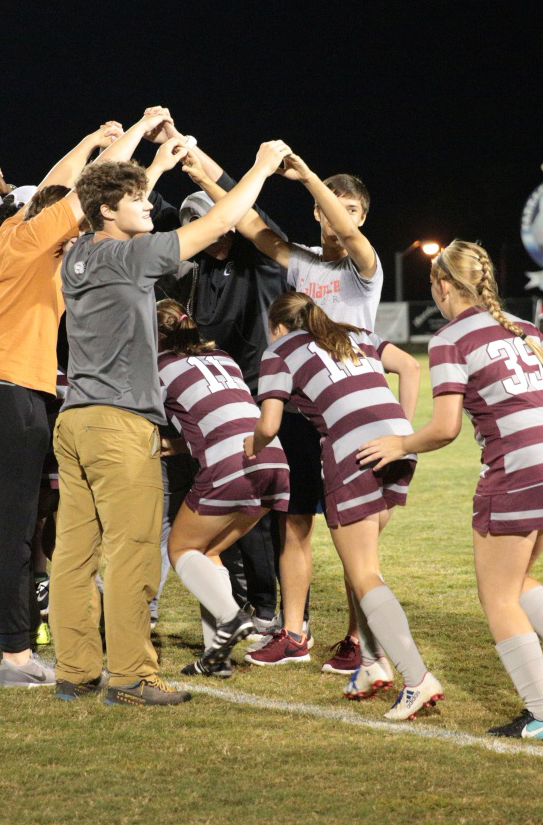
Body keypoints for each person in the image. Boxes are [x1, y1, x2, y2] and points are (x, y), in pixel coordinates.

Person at [50, 137, 292, 707]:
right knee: (135, 550)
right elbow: (222, 221)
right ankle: (132, 676)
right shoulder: (128, 256)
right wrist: (258, 167)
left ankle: (76, 668)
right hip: (118, 423)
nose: (148, 206)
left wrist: (153, 163)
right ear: (109, 210)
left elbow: (110, 201)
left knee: (74, 555)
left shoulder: (78, 254)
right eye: (137, 200)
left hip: (75, 420)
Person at [0, 115, 161, 684]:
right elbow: (92, 192)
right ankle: (17, 657)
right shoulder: (40, 240)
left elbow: (66, 186)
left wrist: (88, 141)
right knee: (12, 532)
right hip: (9, 394)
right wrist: (138, 132)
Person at [358, 240, 543, 739]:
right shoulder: (523, 326)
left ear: (444, 286)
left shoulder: (450, 338)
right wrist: (519, 402)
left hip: (520, 462)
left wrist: (399, 443)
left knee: (497, 598)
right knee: (515, 580)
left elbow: (445, 428)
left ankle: (542, 716)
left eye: (433, 286)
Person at [205, 152, 382, 670]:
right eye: (328, 208)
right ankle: (293, 632)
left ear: (361, 217)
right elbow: (250, 222)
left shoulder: (363, 267)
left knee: (357, 541)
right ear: (314, 214)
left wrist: (306, 177)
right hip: (305, 416)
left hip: (351, 420)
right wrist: (197, 162)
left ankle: (356, 639)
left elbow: (349, 238)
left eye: (349, 209)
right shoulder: (303, 262)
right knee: (295, 523)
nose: (336, 217)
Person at [249, 291, 439, 720]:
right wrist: (402, 431)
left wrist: (252, 445)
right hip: (395, 444)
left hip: (351, 450)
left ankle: (417, 679)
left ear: (278, 326)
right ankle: (372, 663)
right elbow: (409, 366)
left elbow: (270, 424)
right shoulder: (355, 333)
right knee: (365, 563)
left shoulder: (279, 348)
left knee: (364, 573)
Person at [153, 299, 289, 679]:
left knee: (180, 548)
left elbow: (141, 415)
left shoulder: (159, 368)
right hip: (274, 459)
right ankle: (217, 657)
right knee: (209, 550)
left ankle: (231, 618)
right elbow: (219, 414)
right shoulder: (225, 358)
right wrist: (181, 445)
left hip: (231, 464)